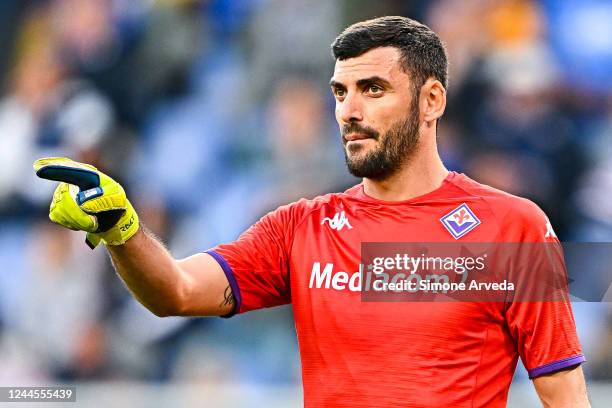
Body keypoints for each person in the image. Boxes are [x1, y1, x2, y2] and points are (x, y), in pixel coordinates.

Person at [34, 16, 589, 408]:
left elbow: (564, 397)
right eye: (340, 92)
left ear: (432, 101)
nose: (349, 110)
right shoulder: (301, 227)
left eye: (373, 89)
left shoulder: (513, 227)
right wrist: (122, 229)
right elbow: (174, 291)